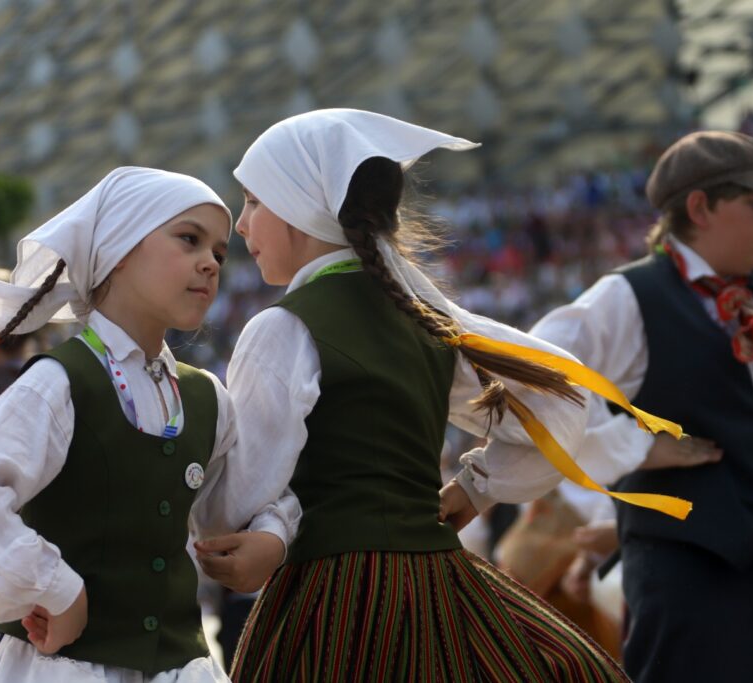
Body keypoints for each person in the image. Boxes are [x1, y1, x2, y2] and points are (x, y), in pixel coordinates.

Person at [192, 109, 670, 681]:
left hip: (336, 602)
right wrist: (476, 488)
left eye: (253, 201)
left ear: (302, 203)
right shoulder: (424, 318)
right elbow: (564, 397)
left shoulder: (282, 328)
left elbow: (231, 507)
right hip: (440, 584)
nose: (242, 226)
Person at [0, 167, 299, 682]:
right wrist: (55, 588)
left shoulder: (207, 397)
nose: (210, 262)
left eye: (220, 253)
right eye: (189, 239)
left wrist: (271, 535)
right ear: (118, 249)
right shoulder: (59, 383)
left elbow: (236, 505)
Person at [529, 130, 753, 682]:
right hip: (690, 578)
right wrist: (632, 446)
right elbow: (533, 378)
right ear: (701, 208)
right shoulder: (628, 296)